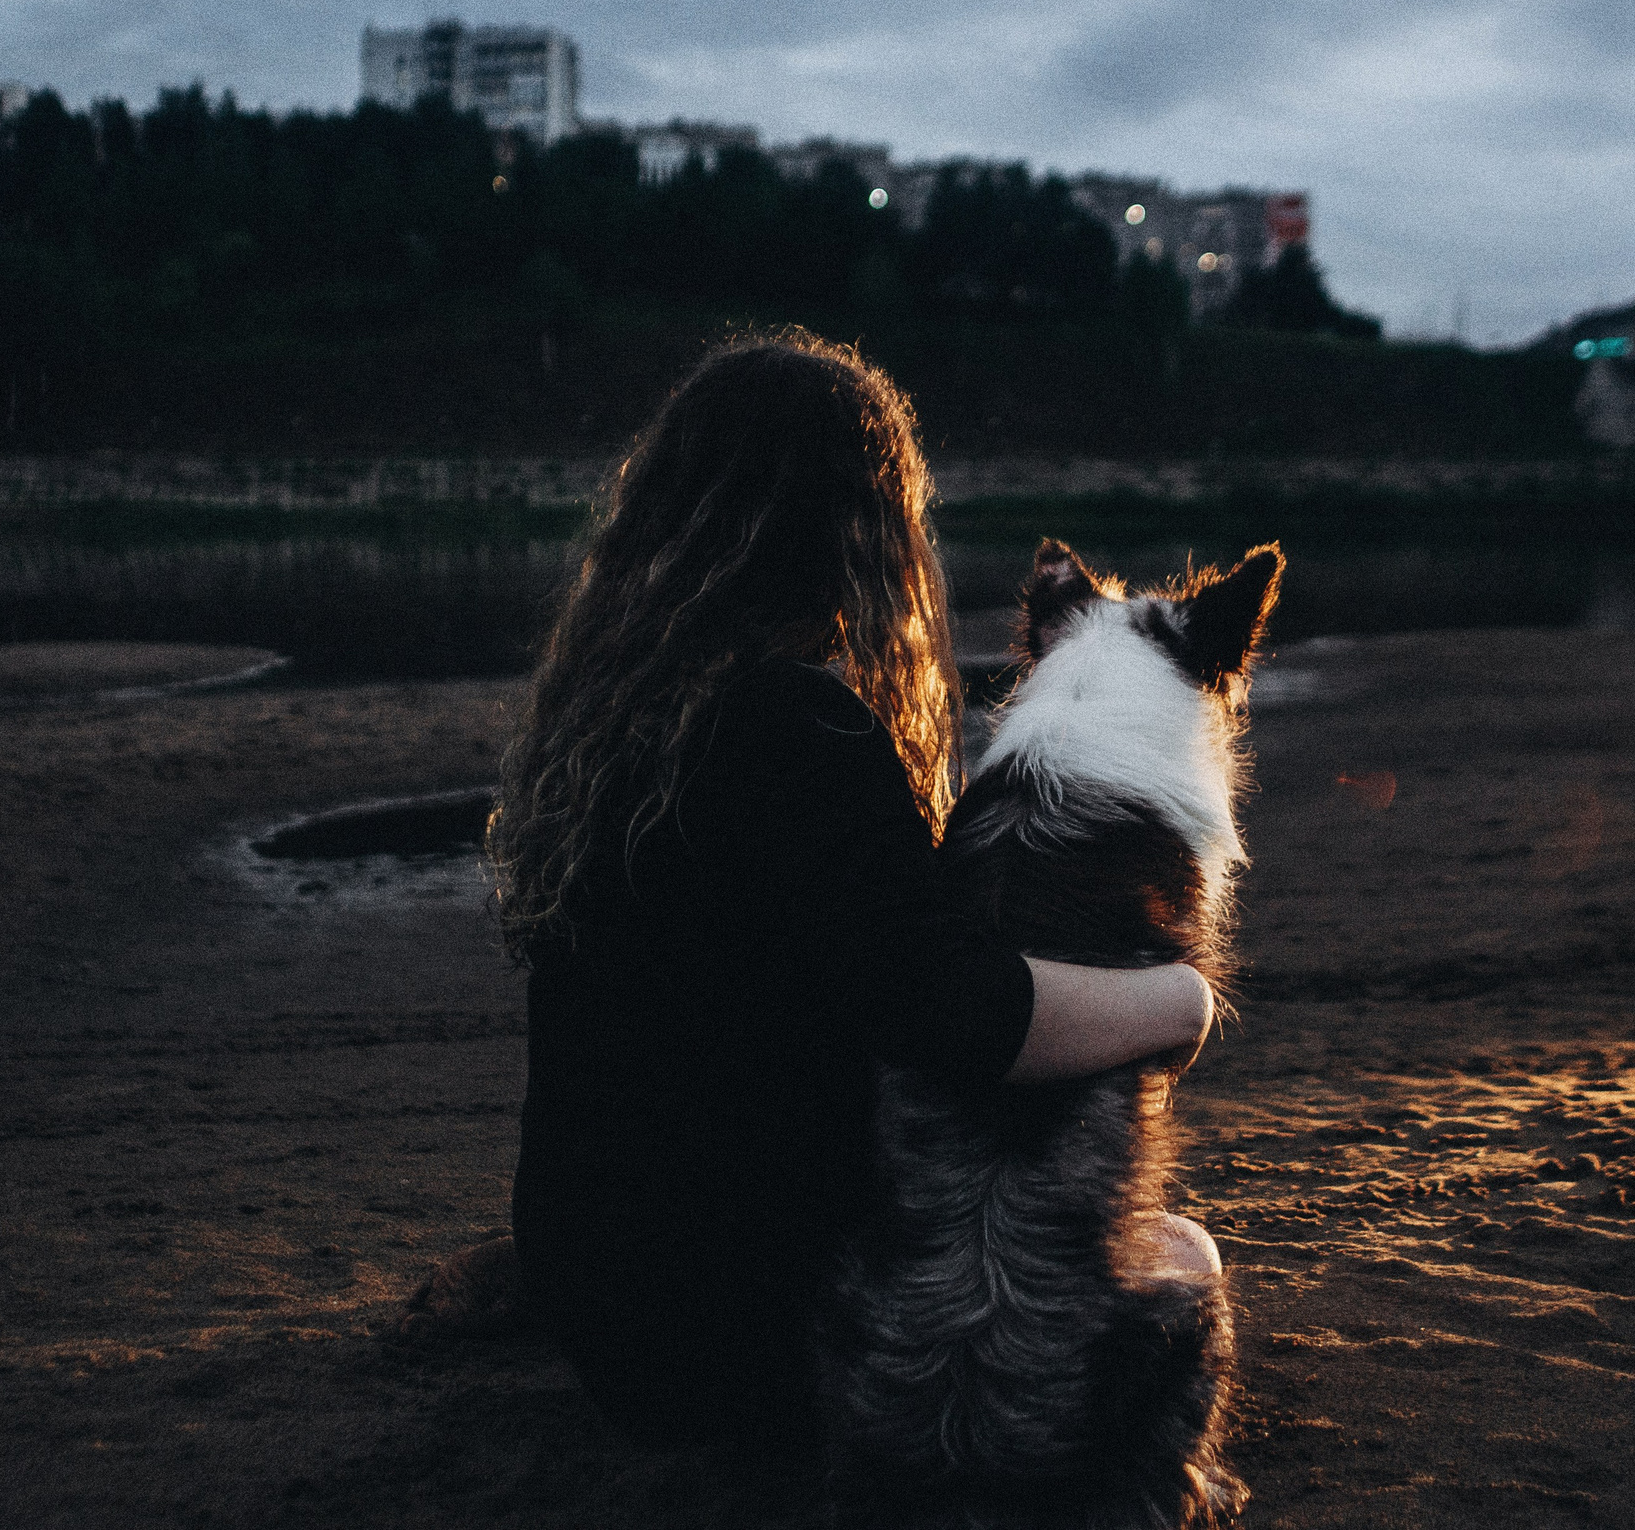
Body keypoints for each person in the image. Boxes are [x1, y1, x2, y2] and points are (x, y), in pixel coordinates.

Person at [490, 331, 1216, 1458]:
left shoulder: (611, 729)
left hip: (602, 1306)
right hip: (764, 1342)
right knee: (1181, 1254)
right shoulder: (801, 730)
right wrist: (1179, 1004)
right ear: (863, 531)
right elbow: (957, 1014)